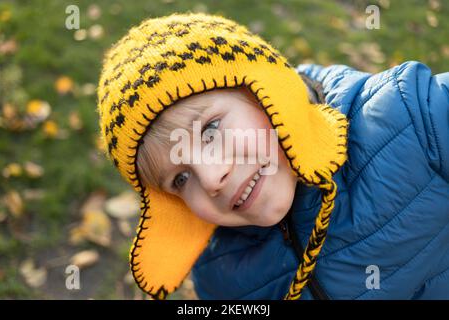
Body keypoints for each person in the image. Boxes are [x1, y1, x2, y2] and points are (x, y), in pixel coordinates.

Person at [97, 12, 449, 300]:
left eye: (210, 131)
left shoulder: (411, 121)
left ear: (263, 91)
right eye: (180, 178)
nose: (210, 177)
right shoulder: (221, 276)